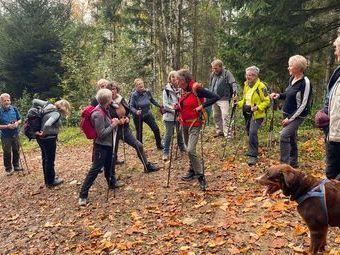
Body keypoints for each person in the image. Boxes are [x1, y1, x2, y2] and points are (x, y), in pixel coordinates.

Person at [175, 69, 220, 191]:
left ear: (183, 80)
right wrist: (178, 107)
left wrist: (202, 106)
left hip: (195, 124)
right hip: (183, 123)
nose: (175, 82)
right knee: (188, 148)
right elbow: (185, 105)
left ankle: (201, 177)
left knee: (190, 150)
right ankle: (192, 170)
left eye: (177, 79)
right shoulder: (183, 89)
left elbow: (215, 97)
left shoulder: (196, 88)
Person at [104, 81, 160, 173]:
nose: (112, 91)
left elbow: (128, 110)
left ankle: (147, 166)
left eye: (114, 89)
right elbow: (105, 118)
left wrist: (127, 118)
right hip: (113, 131)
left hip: (125, 129)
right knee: (113, 153)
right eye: (110, 90)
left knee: (139, 145)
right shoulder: (106, 103)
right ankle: (111, 177)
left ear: (117, 90)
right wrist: (116, 122)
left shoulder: (121, 99)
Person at [79, 88, 121, 206]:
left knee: (109, 165)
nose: (112, 98)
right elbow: (101, 134)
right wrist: (113, 125)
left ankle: (111, 183)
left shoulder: (104, 109)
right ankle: (83, 195)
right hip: (101, 146)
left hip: (107, 145)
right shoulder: (98, 113)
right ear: (107, 99)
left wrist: (112, 121)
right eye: (110, 97)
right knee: (95, 169)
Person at [270, 55, 312, 168]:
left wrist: (290, 119)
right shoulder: (292, 79)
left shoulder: (305, 83)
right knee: (292, 138)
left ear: (298, 68)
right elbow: (289, 95)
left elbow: (304, 104)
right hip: (287, 113)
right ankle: (294, 163)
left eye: (290, 66)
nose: (288, 68)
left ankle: (283, 166)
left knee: (284, 135)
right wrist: (278, 95)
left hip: (298, 116)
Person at [33, 98, 71, 187]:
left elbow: (34, 101)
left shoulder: (47, 107)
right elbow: (47, 124)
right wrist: (44, 133)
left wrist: (41, 133)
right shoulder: (56, 113)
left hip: (40, 138)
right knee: (50, 160)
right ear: (64, 107)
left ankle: (48, 179)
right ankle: (51, 181)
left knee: (45, 158)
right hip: (48, 138)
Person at [237, 66, 270, 166]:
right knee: (249, 132)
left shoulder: (261, 87)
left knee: (252, 131)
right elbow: (244, 100)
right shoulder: (246, 85)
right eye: (247, 75)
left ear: (256, 76)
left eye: (250, 75)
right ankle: (252, 148)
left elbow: (267, 101)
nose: (248, 77)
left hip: (257, 114)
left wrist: (258, 107)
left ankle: (253, 155)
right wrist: (237, 104)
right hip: (246, 111)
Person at [323, 36, 340, 180]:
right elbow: (330, 98)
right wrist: (324, 113)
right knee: (331, 177)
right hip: (333, 134)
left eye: (337, 49)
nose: (335, 53)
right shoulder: (337, 73)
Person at [130, 78, 163, 149]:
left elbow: (152, 100)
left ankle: (159, 145)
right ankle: (140, 148)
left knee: (155, 128)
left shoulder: (147, 92)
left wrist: (159, 105)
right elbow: (131, 106)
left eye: (141, 83)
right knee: (139, 133)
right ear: (136, 87)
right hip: (138, 116)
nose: (141, 85)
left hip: (147, 114)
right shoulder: (134, 95)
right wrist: (136, 111)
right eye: (138, 84)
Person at [209, 59, 238, 138]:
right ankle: (220, 131)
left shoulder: (227, 73)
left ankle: (228, 135)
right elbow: (211, 85)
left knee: (225, 116)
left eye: (216, 68)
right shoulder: (213, 74)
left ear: (220, 67)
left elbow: (233, 83)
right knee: (216, 116)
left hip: (224, 98)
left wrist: (235, 93)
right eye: (213, 68)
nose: (214, 70)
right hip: (214, 98)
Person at [162, 71, 185, 161]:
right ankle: (166, 152)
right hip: (169, 116)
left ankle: (182, 147)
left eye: (176, 77)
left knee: (180, 132)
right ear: (170, 79)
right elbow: (165, 104)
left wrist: (180, 110)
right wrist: (174, 110)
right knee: (169, 134)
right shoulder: (166, 90)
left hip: (180, 115)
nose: (174, 78)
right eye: (172, 77)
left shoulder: (181, 89)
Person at [0, 93, 22, 175]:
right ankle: (8, 169)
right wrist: (7, 126)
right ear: (1, 102)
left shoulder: (14, 109)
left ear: (10, 100)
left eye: (8, 100)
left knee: (16, 149)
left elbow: (20, 119)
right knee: (7, 152)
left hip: (15, 133)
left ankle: (16, 166)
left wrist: (17, 123)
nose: (7, 102)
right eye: (4, 101)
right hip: (5, 135)